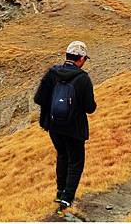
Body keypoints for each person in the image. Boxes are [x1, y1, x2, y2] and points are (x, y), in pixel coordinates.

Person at [34, 41, 97, 213]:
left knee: (62, 155)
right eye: (85, 59)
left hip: (54, 126)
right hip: (74, 129)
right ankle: (67, 200)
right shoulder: (83, 78)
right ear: (81, 58)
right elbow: (90, 108)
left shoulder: (52, 73)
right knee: (76, 162)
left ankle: (60, 192)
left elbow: (38, 99)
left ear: (67, 56)